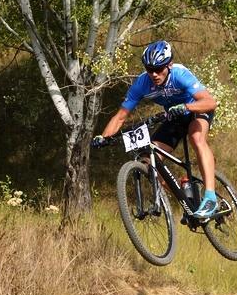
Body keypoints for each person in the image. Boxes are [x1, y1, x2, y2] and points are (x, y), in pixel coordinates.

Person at [91, 40, 221, 219]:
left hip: (196, 109)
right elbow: (121, 116)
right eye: (149, 69)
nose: (154, 74)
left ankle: (210, 198)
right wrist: (104, 137)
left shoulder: (180, 74)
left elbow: (210, 102)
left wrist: (187, 107)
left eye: (159, 69)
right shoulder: (142, 83)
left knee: (196, 137)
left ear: (169, 64)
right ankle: (186, 200)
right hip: (174, 117)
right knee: (149, 160)